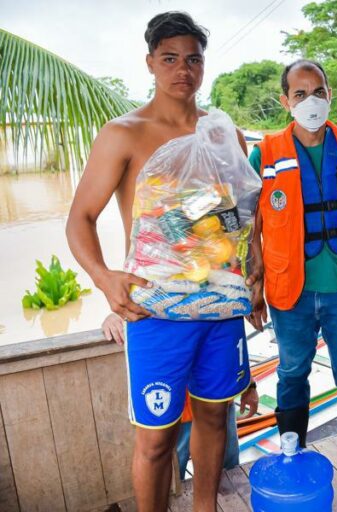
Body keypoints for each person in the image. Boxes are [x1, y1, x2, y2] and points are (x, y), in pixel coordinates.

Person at [67, 12, 258, 511]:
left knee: (216, 418)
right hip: (155, 312)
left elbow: (239, 216)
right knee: (155, 439)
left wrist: (253, 269)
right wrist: (105, 278)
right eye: (170, 58)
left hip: (219, 304)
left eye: (193, 59)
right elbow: (80, 218)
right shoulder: (123, 134)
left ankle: (205, 507)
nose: (183, 70)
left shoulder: (224, 135)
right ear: (150, 63)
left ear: (203, 66)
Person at [248, 59, 337, 495]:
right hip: (289, 289)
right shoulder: (265, 152)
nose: (310, 102)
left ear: (330, 95)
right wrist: (254, 284)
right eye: (299, 94)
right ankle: (292, 452)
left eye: (318, 92)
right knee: (292, 372)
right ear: (285, 101)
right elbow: (250, 225)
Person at [101, 314, 241, 479]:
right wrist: (112, 317)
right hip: (178, 414)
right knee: (174, 468)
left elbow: (233, 346)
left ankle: (226, 496)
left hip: (218, 402)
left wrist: (250, 385)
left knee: (228, 463)